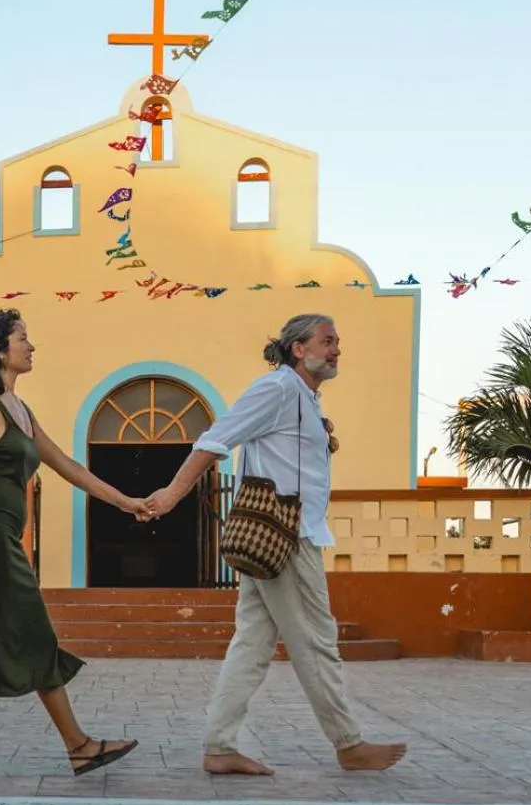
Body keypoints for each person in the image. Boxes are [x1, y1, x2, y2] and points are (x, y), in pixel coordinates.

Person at [144, 314, 407, 777]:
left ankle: (220, 747)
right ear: (298, 349)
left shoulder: (305, 398)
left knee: (252, 644)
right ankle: (348, 744)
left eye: (337, 342)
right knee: (317, 641)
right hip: (284, 537)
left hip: (287, 535)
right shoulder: (278, 389)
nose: (336, 349)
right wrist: (171, 493)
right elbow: (215, 439)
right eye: (327, 341)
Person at [0, 309, 146, 785]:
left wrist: (127, 502)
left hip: (3, 541)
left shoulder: (19, 411)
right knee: (8, 638)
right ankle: (75, 747)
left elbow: (67, 464)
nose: (31, 346)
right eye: (23, 338)